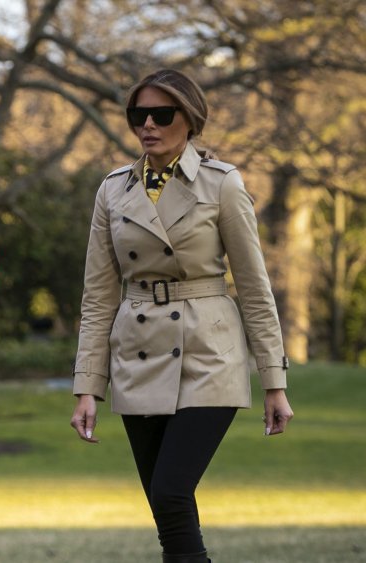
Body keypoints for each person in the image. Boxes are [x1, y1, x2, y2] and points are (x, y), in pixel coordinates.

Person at [69, 69, 295, 563]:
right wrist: (88, 386)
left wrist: (274, 381)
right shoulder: (112, 191)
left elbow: (255, 288)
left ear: (189, 119)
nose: (147, 124)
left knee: (171, 491)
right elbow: (98, 297)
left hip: (208, 354)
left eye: (161, 114)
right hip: (137, 353)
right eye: (138, 115)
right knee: (167, 508)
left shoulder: (222, 184)